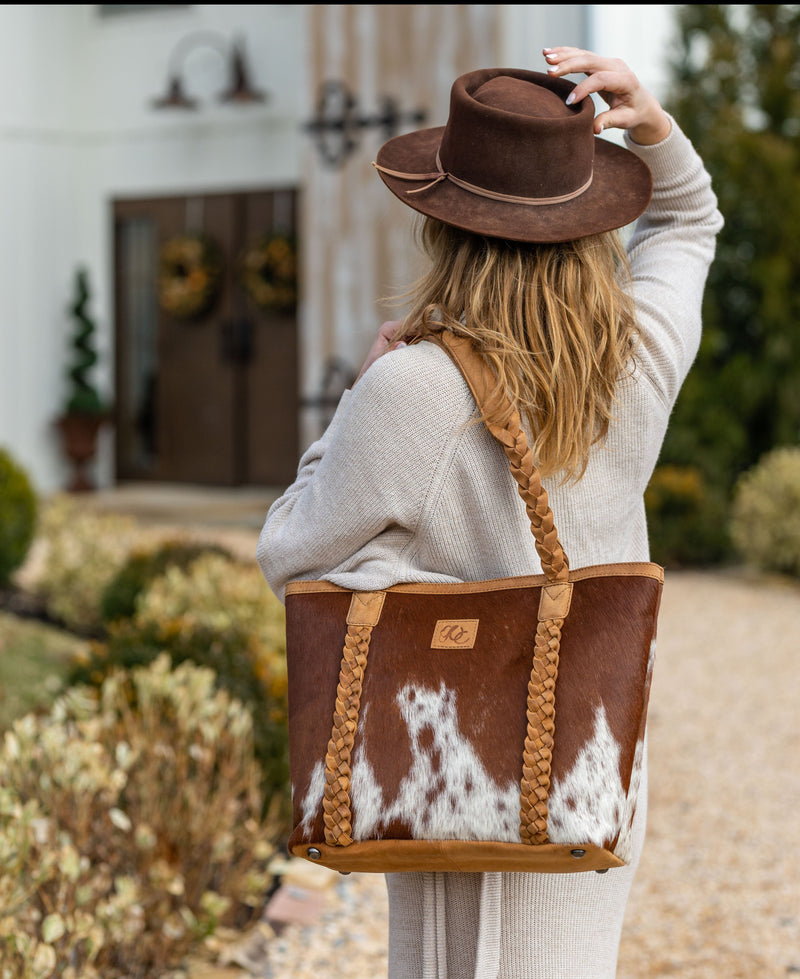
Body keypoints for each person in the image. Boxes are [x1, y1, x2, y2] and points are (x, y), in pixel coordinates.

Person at [257, 47, 723, 979]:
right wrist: (655, 126)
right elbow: (689, 223)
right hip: (592, 777)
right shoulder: (637, 360)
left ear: (446, 229)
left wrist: (355, 403)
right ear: (589, 223)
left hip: (453, 776)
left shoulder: (411, 391)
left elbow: (289, 548)